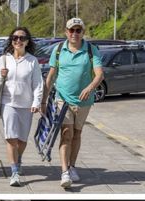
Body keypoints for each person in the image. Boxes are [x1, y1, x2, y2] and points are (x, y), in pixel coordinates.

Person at [42, 18, 104, 189]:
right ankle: (64, 172)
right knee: (66, 133)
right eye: (71, 30)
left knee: (77, 133)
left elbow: (99, 75)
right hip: (63, 99)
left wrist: (90, 87)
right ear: (66, 32)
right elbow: (51, 76)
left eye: (78, 30)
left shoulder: (91, 50)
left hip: (84, 102)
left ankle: (72, 166)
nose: (74, 34)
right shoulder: (59, 49)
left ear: (83, 32)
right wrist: (43, 99)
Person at [0, 27, 43, 187]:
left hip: (26, 105)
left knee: (22, 140)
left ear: (27, 41)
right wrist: (1, 75)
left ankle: (18, 158)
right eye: (15, 38)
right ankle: (14, 172)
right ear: (11, 41)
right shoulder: (4, 59)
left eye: (22, 38)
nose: (18, 41)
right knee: (11, 138)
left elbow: (38, 84)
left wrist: (36, 102)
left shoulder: (32, 61)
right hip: (8, 103)